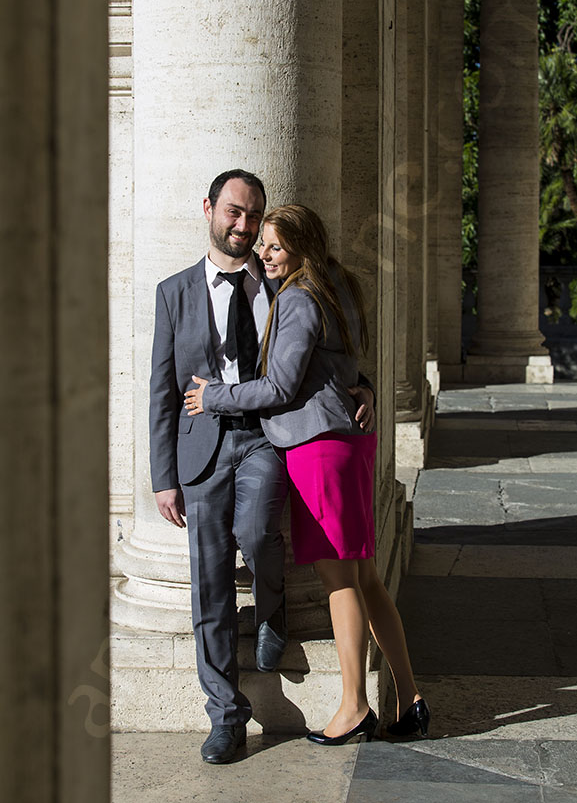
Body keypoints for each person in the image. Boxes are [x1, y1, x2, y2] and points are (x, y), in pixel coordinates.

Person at [149, 171, 375, 765]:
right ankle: (225, 715)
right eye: (234, 213)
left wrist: (363, 386)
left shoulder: (280, 281)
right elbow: (162, 391)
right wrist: (162, 476)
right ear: (209, 210)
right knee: (210, 580)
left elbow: (325, 349)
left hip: (264, 440)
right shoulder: (173, 292)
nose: (244, 227)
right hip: (200, 449)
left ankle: (272, 608)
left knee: (257, 533)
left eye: (253, 216)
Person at [184, 203, 430, 746]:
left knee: (339, 581)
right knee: (365, 578)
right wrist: (362, 387)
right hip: (349, 443)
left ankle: (353, 707)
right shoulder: (339, 283)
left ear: (301, 246)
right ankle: (410, 699)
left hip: (317, 450)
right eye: (263, 244)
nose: (264, 254)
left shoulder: (297, 296)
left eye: (275, 245)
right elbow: (339, 365)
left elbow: (278, 388)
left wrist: (212, 396)